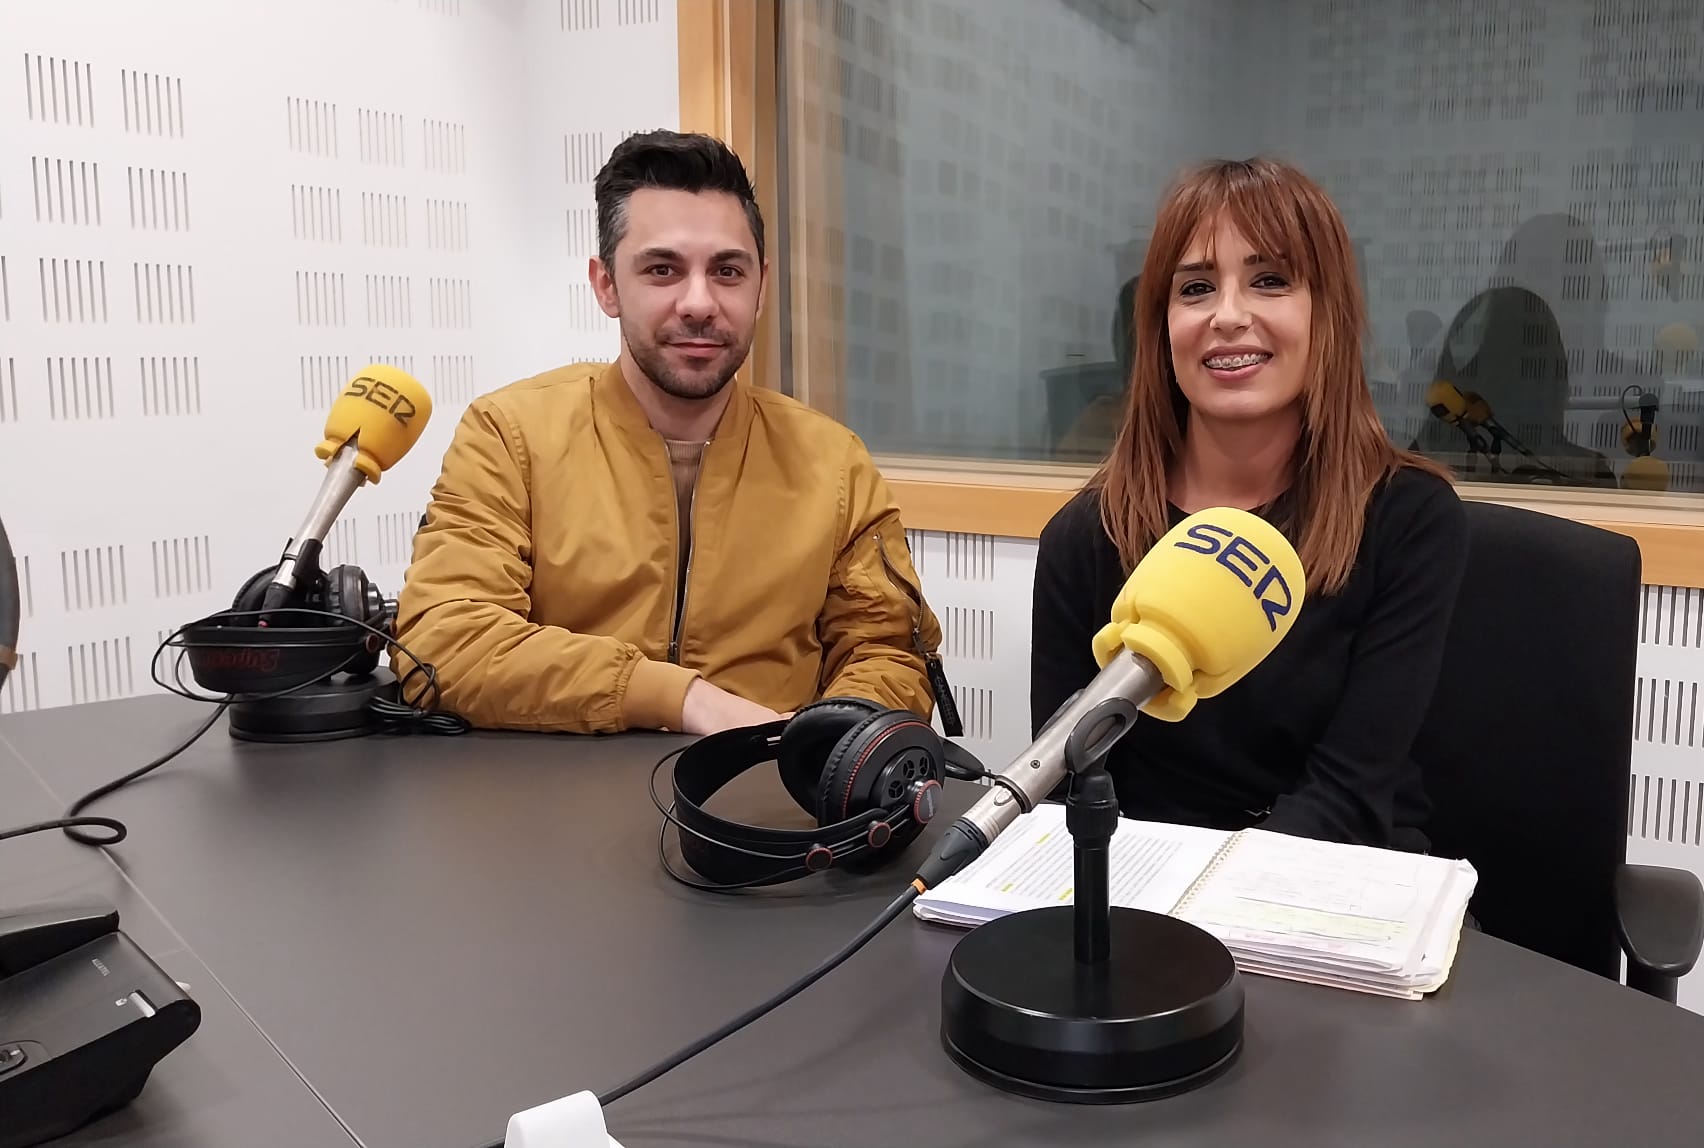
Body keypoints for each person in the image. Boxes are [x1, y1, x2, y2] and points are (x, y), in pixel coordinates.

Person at [394, 131, 944, 734]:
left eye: (727, 271)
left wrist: (823, 742)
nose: (699, 303)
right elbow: (443, 642)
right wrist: (681, 699)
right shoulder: (509, 435)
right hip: (553, 799)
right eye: (662, 270)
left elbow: (887, 652)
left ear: (760, 285)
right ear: (606, 285)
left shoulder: (833, 463)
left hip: (759, 799)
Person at [1031, 157, 1469, 851]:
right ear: (1161, 326)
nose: (1228, 316)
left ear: (1326, 313)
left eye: (1269, 281)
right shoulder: (1086, 535)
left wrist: (1207, 904)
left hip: (1333, 878)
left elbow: (1350, 793)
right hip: (1144, 893)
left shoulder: (1407, 519)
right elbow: (1063, 785)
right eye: (1196, 288)